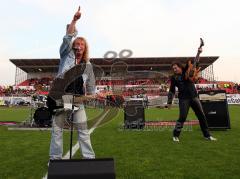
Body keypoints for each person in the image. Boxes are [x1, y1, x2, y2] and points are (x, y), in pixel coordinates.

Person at [49, 6, 95, 160]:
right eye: (77, 43)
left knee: (83, 130)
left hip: (78, 100)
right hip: (62, 99)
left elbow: (90, 84)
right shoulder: (65, 56)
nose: (79, 46)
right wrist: (74, 20)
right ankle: (55, 160)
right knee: (57, 130)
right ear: (73, 46)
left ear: (85, 48)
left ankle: (89, 159)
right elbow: (67, 38)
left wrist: (92, 95)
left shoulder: (87, 65)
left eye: (82, 45)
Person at [166, 54, 217, 142]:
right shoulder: (174, 78)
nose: (174, 69)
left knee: (201, 116)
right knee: (182, 118)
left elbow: (195, 62)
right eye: (173, 68)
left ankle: (207, 135)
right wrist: (169, 102)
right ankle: (175, 135)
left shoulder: (187, 70)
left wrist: (198, 52)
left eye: (176, 67)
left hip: (194, 97)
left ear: (180, 67)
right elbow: (172, 90)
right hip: (183, 99)